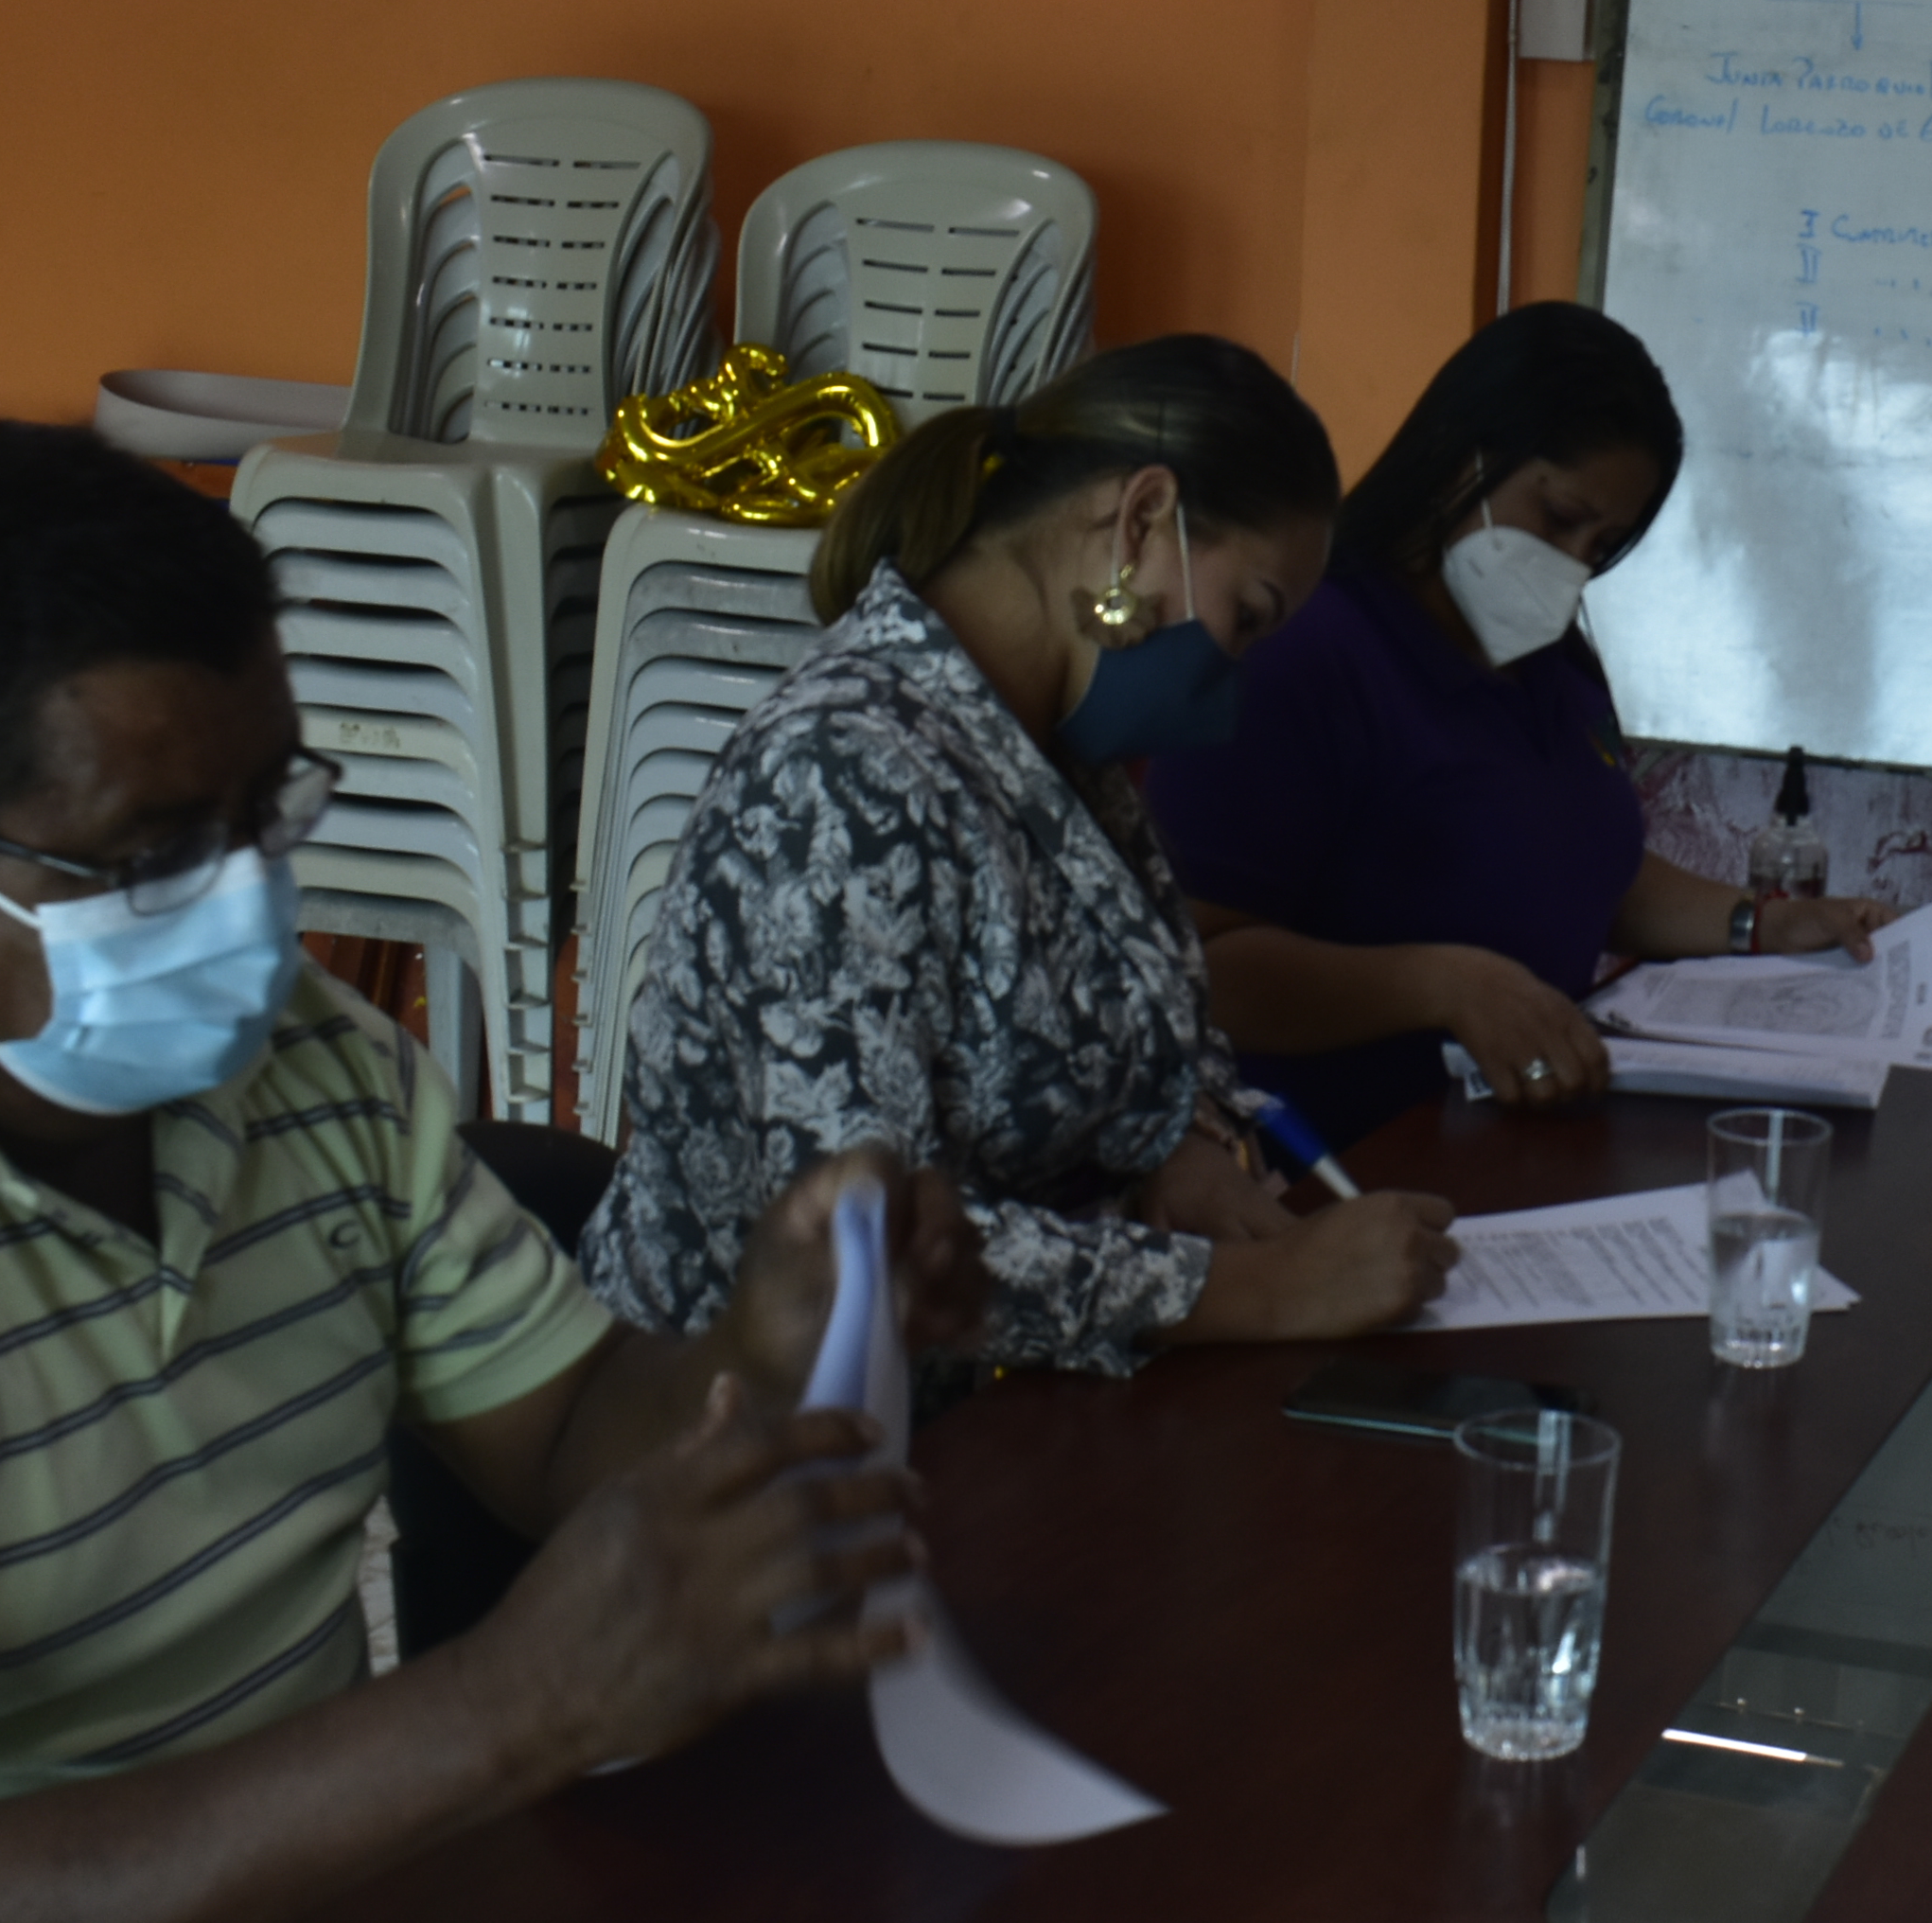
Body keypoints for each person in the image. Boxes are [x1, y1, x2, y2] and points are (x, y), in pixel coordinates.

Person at [0, 424, 983, 1923]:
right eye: (156, 853)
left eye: (269, 808)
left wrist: (772, 1336)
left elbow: (563, 1436)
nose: (250, 904)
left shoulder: (297, 1061)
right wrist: (505, 1709)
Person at [580, 337, 1460, 1375]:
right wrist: (1256, 1289)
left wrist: (1183, 1142)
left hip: (1007, 1400)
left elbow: (1159, 1021)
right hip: (761, 1425)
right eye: (1245, 620)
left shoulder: (1050, 742)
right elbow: (860, 1245)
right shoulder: (838, 777)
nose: (1234, 680)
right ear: (1141, 520)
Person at [1147, 305, 1895, 1155]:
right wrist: (1444, 985)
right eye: (1559, 516)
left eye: (1602, 545)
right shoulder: (1300, 651)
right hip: (1342, 1166)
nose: (1571, 564)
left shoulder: (1547, 658)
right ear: (1457, 456)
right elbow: (1199, 967)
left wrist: (1761, 923)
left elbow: (1579, 862)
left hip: (1529, 1144)